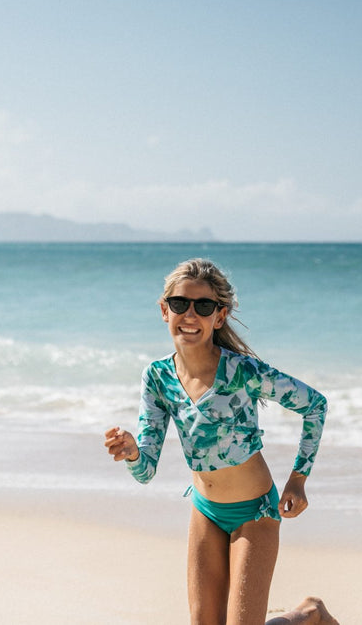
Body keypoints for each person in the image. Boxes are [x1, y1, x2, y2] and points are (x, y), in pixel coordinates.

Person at [104, 258, 337, 625]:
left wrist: (298, 479)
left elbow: (315, 406)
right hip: (205, 512)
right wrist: (133, 452)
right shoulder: (157, 376)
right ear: (165, 311)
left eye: (204, 306)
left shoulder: (243, 371)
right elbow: (145, 471)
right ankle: (308, 612)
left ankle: (309, 615)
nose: (190, 315)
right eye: (180, 304)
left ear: (220, 316)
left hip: (255, 514)